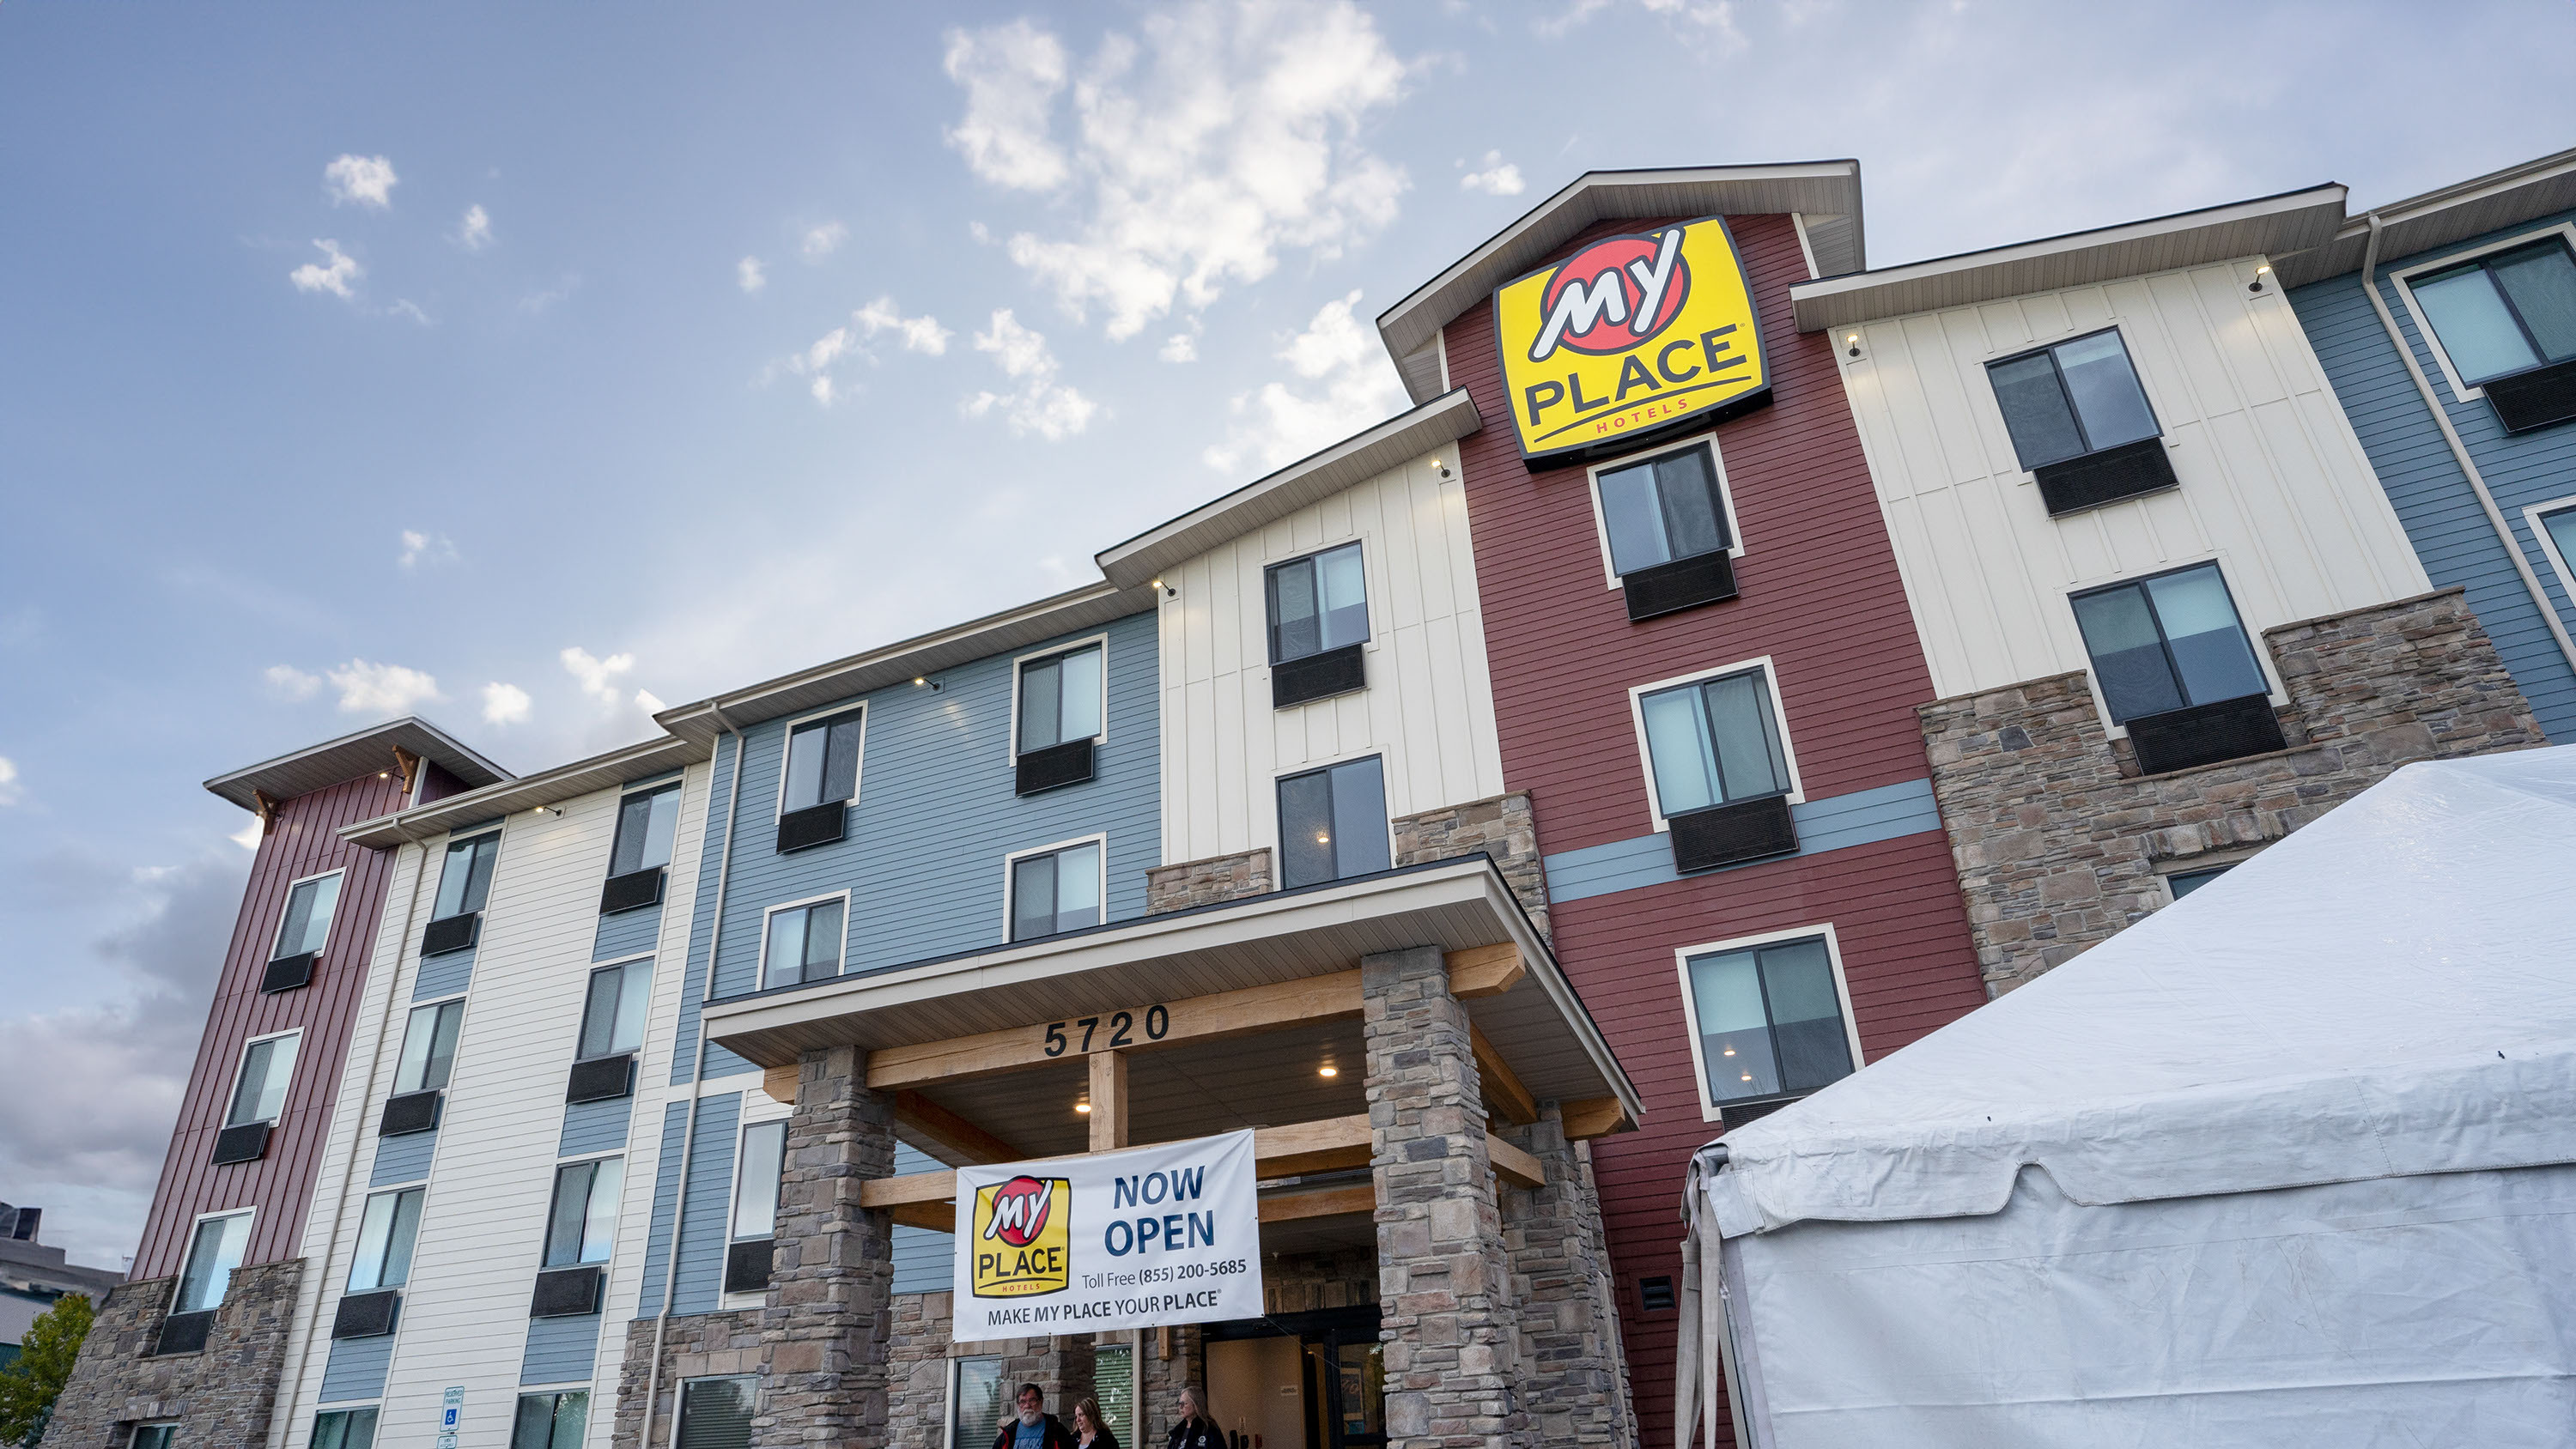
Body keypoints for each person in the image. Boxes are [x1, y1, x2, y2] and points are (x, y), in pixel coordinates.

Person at [993, 1383, 1078, 1449]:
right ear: (1018, 1405)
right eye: (1023, 1402)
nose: (1027, 1406)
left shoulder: (1058, 1432)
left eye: (1032, 1400)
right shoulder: (1007, 1435)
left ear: (1041, 1402)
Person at [1163, 1385, 1222, 1449]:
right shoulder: (1178, 1431)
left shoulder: (1209, 1428)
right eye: (1180, 1403)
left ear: (1196, 1404)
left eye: (1184, 1404)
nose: (1180, 1407)